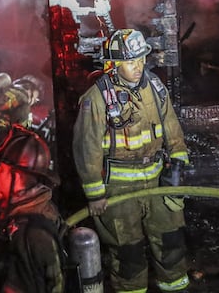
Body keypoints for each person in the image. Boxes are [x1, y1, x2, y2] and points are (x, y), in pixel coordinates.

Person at [72, 28, 191, 293]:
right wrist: (95, 194)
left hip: (158, 183)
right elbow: (86, 149)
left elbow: (173, 131)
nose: (137, 67)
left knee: (171, 245)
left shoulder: (156, 88)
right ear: (113, 65)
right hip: (119, 191)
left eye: (140, 60)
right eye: (130, 62)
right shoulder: (97, 99)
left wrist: (178, 168)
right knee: (129, 255)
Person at [0, 123, 65, 293]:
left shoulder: (29, 233)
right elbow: (7, 204)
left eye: (1, 169)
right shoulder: (33, 202)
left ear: (16, 176)